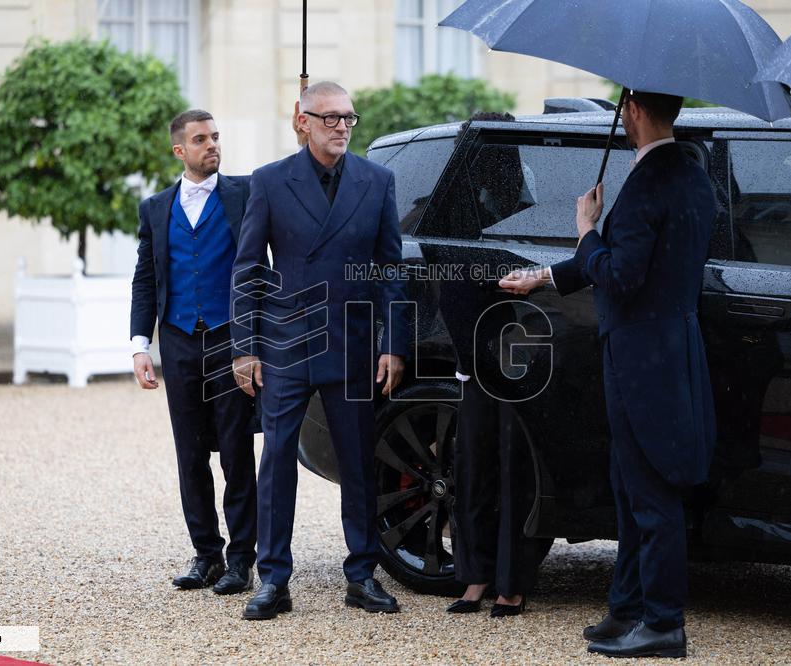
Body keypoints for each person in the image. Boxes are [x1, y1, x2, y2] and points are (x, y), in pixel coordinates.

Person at [499, 90, 716, 658]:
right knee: (629, 487)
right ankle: (627, 609)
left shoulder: (649, 181)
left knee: (652, 492)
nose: (622, 117)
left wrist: (585, 228)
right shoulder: (693, 172)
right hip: (671, 350)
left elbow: (619, 276)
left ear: (635, 111)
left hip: (643, 360)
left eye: (624, 109)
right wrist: (547, 275)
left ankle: (663, 624)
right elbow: (639, 257)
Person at [230, 81, 409, 620]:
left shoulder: (377, 181)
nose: (341, 127)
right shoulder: (268, 181)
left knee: (357, 463)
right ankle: (273, 580)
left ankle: (362, 575)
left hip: (353, 345)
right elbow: (247, 268)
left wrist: (392, 344)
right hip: (286, 343)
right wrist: (245, 348)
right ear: (301, 120)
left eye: (348, 118)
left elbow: (390, 271)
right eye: (329, 118)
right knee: (277, 460)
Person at [130, 109, 258, 595]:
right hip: (180, 339)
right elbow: (146, 279)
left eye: (216, 137)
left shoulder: (245, 194)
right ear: (179, 150)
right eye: (201, 139)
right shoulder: (155, 208)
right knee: (189, 455)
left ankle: (242, 558)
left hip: (232, 340)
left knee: (235, 451)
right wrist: (140, 344)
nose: (212, 145)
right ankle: (206, 553)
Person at [439, 112, 541, 618]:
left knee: (511, 471)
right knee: (471, 468)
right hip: (470, 360)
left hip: (516, 359)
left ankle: (511, 582)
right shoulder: (451, 204)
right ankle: (474, 576)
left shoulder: (518, 206)